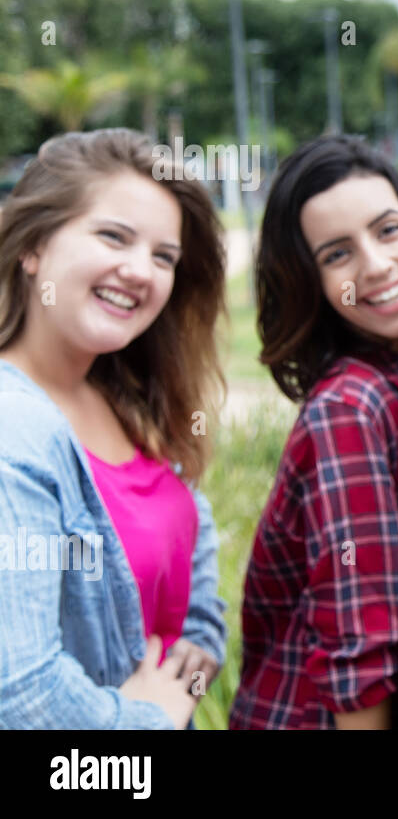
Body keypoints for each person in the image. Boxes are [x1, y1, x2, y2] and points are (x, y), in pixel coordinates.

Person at [229, 136, 398, 729]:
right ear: (312, 282)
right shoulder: (349, 409)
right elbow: (361, 650)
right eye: (337, 255)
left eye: (387, 230)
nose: (376, 265)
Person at [0, 128, 227, 729]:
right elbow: (19, 696)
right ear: (33, 250)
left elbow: (203, 624)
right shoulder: (10, 427)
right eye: (113, 237)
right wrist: (147, 722)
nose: (140, 271)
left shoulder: (135, 403)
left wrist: (183, 693)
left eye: (164, 257)